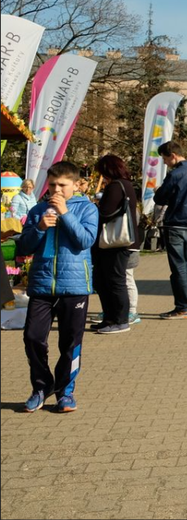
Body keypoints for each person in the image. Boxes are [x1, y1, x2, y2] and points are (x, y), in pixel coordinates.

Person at [16, 161, 99, 413]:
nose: (56, 190)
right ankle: (42, 387)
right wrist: (40, 228)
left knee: (70, 342)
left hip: (74, 286)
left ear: (75, 185)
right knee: (32, 337)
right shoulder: (37, 209)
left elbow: (85, 240)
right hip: (41, 285)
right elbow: (23, 247)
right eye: (52, 184)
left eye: (62, 185)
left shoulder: (87, 209)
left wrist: (66, 213)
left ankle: (66, 392)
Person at [90, 155, 142, 335]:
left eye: (102, 172)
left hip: (115, 242)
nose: (101, 177)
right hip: (119, 242)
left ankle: (119, 320)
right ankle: (110, 319)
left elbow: (106, 212)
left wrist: (93, 207)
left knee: (114, 281)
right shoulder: (126, 185)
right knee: (105, 281)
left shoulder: (115, 186)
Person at [153, 141, 187, 320]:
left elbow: (160, 198)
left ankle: (182, 307)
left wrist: (157, 191)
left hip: (175, 223)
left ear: (173, 155)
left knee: (178, 268)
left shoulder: (176, 174)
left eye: (165, 159)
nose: (165, 162)